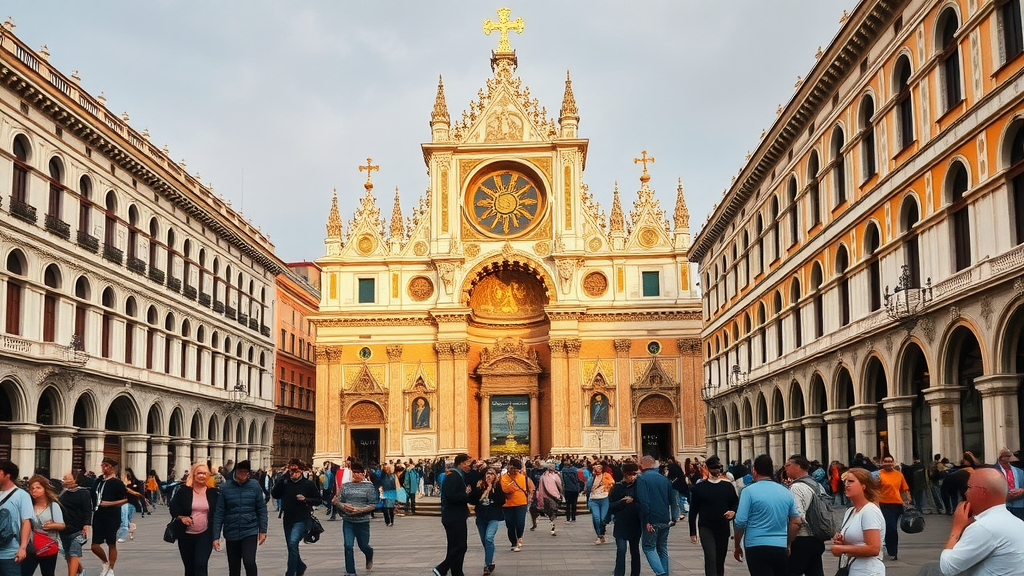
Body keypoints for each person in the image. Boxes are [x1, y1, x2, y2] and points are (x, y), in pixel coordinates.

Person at [936, 467, 1024, 575]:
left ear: (982, 492)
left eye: (968, 487)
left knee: (931, 570)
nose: (965, 493)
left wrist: (957, 528)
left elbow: (948, 568)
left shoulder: (984, 527)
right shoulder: (1016, 522)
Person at [733, 454, 801, 576]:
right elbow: (796, 521)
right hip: (780, 546)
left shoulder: (748, 491)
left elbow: (740, 521)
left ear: (754, 471)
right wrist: (788, 542)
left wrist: (737, 544)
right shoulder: (785, 491)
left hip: (756, 546)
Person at [211, 460, 268, 576]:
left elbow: (261, 509)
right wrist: (215, 536)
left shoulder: (254, 485)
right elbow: (219, 512)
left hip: (250, 529)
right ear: (235, 472)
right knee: (234, 566)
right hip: (231, 530)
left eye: (246, 472)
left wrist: (263, 530)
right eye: (241, 472)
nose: (243, 475)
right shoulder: (226, 487)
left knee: (249, 561)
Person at [688, 456, 738, 576]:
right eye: (714, 467)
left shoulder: (727, 487)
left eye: (718, 467)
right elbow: (693, 510)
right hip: (706, 527)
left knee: (720, 560)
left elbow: (735, 503)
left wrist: (733, 511)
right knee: (710, 558)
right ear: (708, 468)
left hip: (722, 527)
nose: (717, 470)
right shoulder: (699, 488)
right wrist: (693, 531)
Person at [830, 467, 884, 576]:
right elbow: (858, 544)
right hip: (854, 567)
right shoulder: (850, 511)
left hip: (868, 570)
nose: (846, 485)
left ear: (864, 486)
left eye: (851, 481)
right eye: (845, 481)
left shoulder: (869, 511)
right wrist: (843, 541)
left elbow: (873, 548)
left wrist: (842, 549)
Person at [270, 459, 320, 576]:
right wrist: (282, 479)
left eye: (295, 470)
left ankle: (290, 573)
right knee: (291, 547)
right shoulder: (285, 483)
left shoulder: (308, 484)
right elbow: (275, 494)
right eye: (291, 471)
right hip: (287, 518)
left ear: (301, 470)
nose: (293, 473)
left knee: (293, 544)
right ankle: (300, 566)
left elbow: (318, 500)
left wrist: (306, 499)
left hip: (302, 518)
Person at [168, 463, 220, 576]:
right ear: (193, 474)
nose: (201, 476)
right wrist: (181, 517)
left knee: (201, 564)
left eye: (204, 473)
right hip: (185, 534)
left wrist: (216, 536)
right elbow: (173, 508)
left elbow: (217, 513)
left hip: (205, 534)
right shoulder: (183, 491)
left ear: (208, 475)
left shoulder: (213, 492)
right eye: (199, 473)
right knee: (189, 567)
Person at [635, 455, 679, 576]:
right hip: (665, 518)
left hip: (651, 519)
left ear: (642, 465)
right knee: (662, 548)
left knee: (648, 547)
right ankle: (665, 572)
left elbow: (644, 501)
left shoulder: (642, 479)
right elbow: (673, 499)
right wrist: (674, 517)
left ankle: (661, 573)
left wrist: (647, 520)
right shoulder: (664, 479)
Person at [334, 462, 376, 576]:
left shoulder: (369, 486)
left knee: (364, 546)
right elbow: (339, 501)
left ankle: (369, 553)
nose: (356, 475)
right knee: (348, 545)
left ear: (363, 474)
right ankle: (350, 572)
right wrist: (339, 504)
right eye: (354, 472)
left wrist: (359, 510)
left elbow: (373, 504)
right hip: (348, 521)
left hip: (362, 522)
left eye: (358, 473)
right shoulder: (346, 486)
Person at [785, 455, 825, 576]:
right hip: (818, 538)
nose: (785, 468)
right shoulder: (817, 485)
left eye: (787, 465)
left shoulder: (796, 488)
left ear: (797, 467)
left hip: (802, 538)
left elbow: (797, 520)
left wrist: (789, 541)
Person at [432, 454, 472, 576]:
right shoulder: (453, 476)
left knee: (455, 546)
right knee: (460, 546)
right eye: (468, 463)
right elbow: (450, 495)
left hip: (455, 516)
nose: (469, 466)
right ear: (461, 463)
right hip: (454, 517)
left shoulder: (458, 475)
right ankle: (442, 568)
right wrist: (466, 495)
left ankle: (457, 571)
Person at [22, 475, 65, 576]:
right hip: (31, 547)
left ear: (45, 489)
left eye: (38, 488)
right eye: (32, 488)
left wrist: (52, 525)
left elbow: (62, 525)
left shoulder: (53, 506)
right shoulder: (28, 505)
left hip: (48, 546)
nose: (34, 491)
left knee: (48, 573)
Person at [91, 457, 128, 576]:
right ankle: (105, 562)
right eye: (102, 465)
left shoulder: (117, 483)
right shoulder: (98, 481)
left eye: (106, 466)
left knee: (111, 542)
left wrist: (110, 503)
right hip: (98, 514)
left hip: (112, 515)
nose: (104, 468)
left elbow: (126, 499)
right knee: (94, 545)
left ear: (112, 468)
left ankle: (111, 568)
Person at [468, 467, 505, 576]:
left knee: (489, 538)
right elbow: (473, 500)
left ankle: (487, 564)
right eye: (487, 474)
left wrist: (491, 490)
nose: (489, 476)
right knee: (485, 541)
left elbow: (502, 501)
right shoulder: (479, 486)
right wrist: (471, 492)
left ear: (495, 476)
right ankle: (491, 560)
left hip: (493, 517)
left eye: (492, 474)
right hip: (481, 517)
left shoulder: (497, 487)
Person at [609, 462, 642, 576]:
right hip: (621, 523)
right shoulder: (618, 487)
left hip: (634, 522)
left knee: (635, 551)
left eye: (635, 474)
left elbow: (643, 503)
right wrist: (622, 502)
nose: (633, 476)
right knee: (621, 550)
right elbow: (611, 505)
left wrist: (633, 501)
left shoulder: (639, 486)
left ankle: (635, 574)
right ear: (625, 474)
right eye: (631, 474)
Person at [0, 461, 33, 576]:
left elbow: (26, 521)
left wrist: (22, 547)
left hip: (10, 554)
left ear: (7, 475)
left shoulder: (21, 495)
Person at [876, 455, 910, 561]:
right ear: (882, 463)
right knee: (891, 528)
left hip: (897, 504)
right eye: (885, 461)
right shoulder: (878, 474)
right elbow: (872, 488)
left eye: (890, 461)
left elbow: (904, 488)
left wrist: (908, 500)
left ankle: (892, 549)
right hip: (884, 504)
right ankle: (892, 551)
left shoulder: (898, 475)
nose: (888, 463)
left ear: (893, 463)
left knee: (892, 528)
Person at [58, 471, 92, 576]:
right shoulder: (61, 493)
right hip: (64, 528)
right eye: (64, 478)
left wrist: (86, 524)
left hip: (78, 528)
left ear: (75, 479)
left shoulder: (83, 492)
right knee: (68, 554)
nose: (65, 480)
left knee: (74, 552)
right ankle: (81, 571)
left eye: (68, 478)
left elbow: (87, 510)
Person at [499, 459, 532, 552]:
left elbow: (531, 487)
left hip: (521, 503)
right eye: (513, 468)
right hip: (507, 504)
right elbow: (505, 489)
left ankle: (519, 536)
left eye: (517, 469)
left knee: (520, 523)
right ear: (509, 466)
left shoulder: (523, 477)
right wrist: (512, 486)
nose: (514, 471)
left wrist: (530, 496)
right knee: (510, 524)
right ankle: (513, 543)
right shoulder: (503, 477)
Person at [992, 447, 1024, 521]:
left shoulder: (1019, 471)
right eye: (1005, 456)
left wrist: (1022, 490)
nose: (1008, 457)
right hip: (1002, 505)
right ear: (1000, 458)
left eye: (1009, 455)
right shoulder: (993, 471)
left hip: (1018, 505)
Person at [587, 462, 614, 545]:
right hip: (594, 499)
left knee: (602, 519)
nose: (598, 469)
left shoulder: (606, 475)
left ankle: (602, 534)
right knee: (596, 518)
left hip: (604, 498)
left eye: (599, 468)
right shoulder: (592, 477)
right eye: (596, 468)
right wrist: (592, 477)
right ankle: (599, 535)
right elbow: (588, 487)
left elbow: (612, 483)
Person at [533, 463, 563, 536]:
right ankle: (553, 525)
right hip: (553, 496)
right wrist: (561, 494)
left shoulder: (542, 477)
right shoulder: (555, 476)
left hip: (546, 496)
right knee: (553, 511)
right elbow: (560, 486)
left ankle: (552, 524)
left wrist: (540, 497)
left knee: (550, 511)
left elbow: (540, 488)